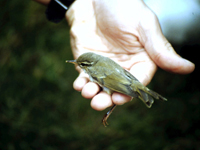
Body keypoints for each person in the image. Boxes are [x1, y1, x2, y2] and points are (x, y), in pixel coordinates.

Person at [34, 0, 195, 111]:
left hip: (124, 81)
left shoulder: (95, 71)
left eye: (82, 65)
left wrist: (128, 88)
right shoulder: (99, 63)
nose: (78, 65)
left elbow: (113, 80)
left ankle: (145, 93)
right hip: (128, 78)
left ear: (89, 65)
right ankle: (146, 93)